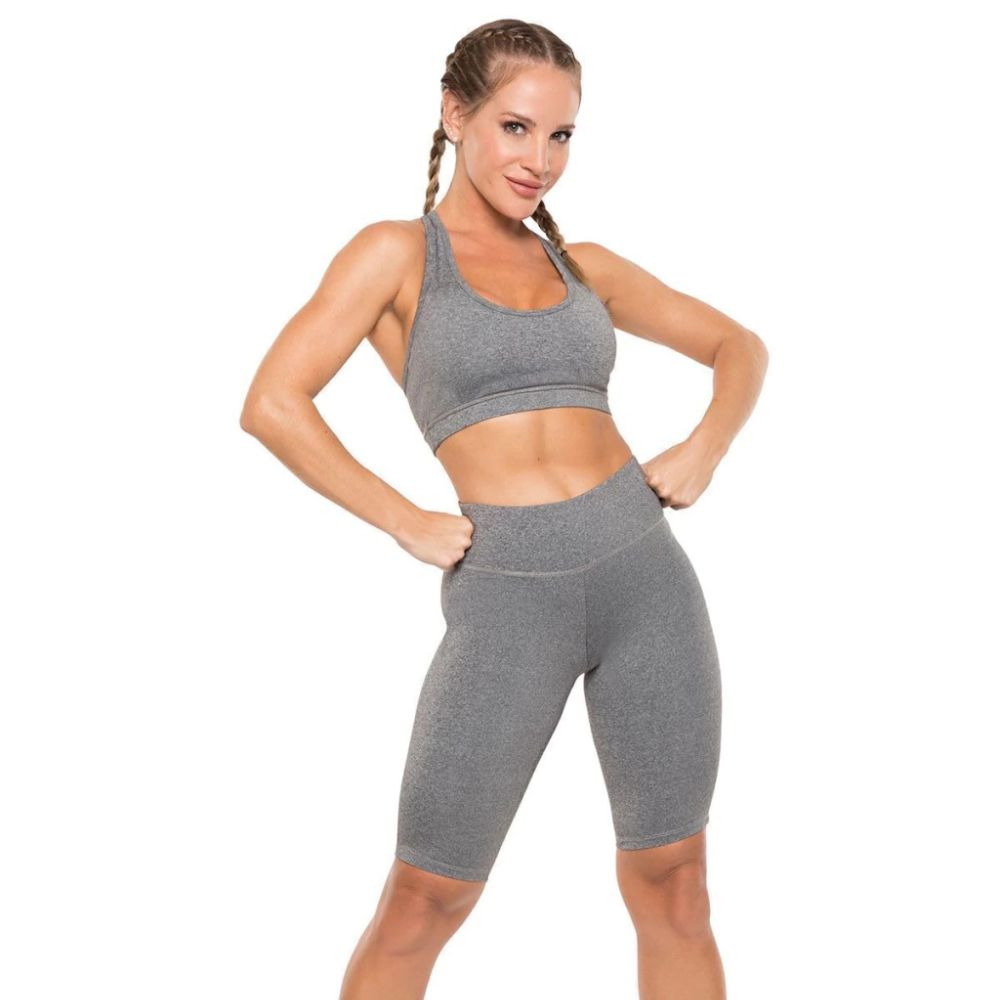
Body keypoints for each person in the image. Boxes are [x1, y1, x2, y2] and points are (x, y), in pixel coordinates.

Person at [240, 18, 767, 1000]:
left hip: (646, 579)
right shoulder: (396, 255)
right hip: (507, 594)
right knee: (424, 898)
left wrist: (706, 444)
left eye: (561, 136)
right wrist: (403, 517)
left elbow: (740, 346)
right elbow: (272, 402)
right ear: (455, 114)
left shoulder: (582, 266)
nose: (540, 160)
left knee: (677, 884)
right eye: (516, 128)